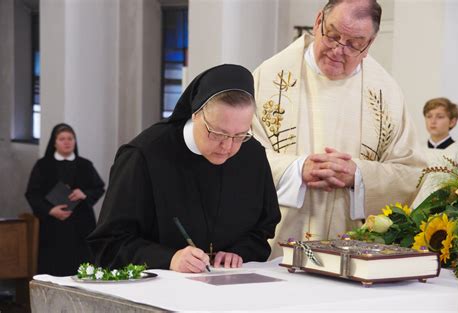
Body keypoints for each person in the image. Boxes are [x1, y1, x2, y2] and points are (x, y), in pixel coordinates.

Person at [251, 0, 425, 257]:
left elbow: (411, 174)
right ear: (318, 21)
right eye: (332, 35)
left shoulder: (386, 93)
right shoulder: (269, 78)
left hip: (356, 248)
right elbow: (239, 154)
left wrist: (360, 176)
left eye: (353, 44)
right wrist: (297, 170)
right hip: (276, 244)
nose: (338, 50)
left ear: (369, 44)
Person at [88, 64, 281, 273]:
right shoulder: (144, 156)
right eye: (217, 133)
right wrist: (169, 259)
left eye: (240, 135)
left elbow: (263, 228)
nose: (227, 146)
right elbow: (108, 245)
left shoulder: (252, 155)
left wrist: (240, 251)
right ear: (196, 114)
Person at [25, 123, 105, 276]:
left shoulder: (85, 165)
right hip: (53, 227)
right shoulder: (43, 165)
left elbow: (98, 187)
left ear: (75, 141)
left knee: (82, 267)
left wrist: (84, 194)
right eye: (62, 139)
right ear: (54, 143)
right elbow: (32, 193)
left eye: (70, 138)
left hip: (81, 226)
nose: (67, 142)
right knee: (53, 267)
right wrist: (50, 210)